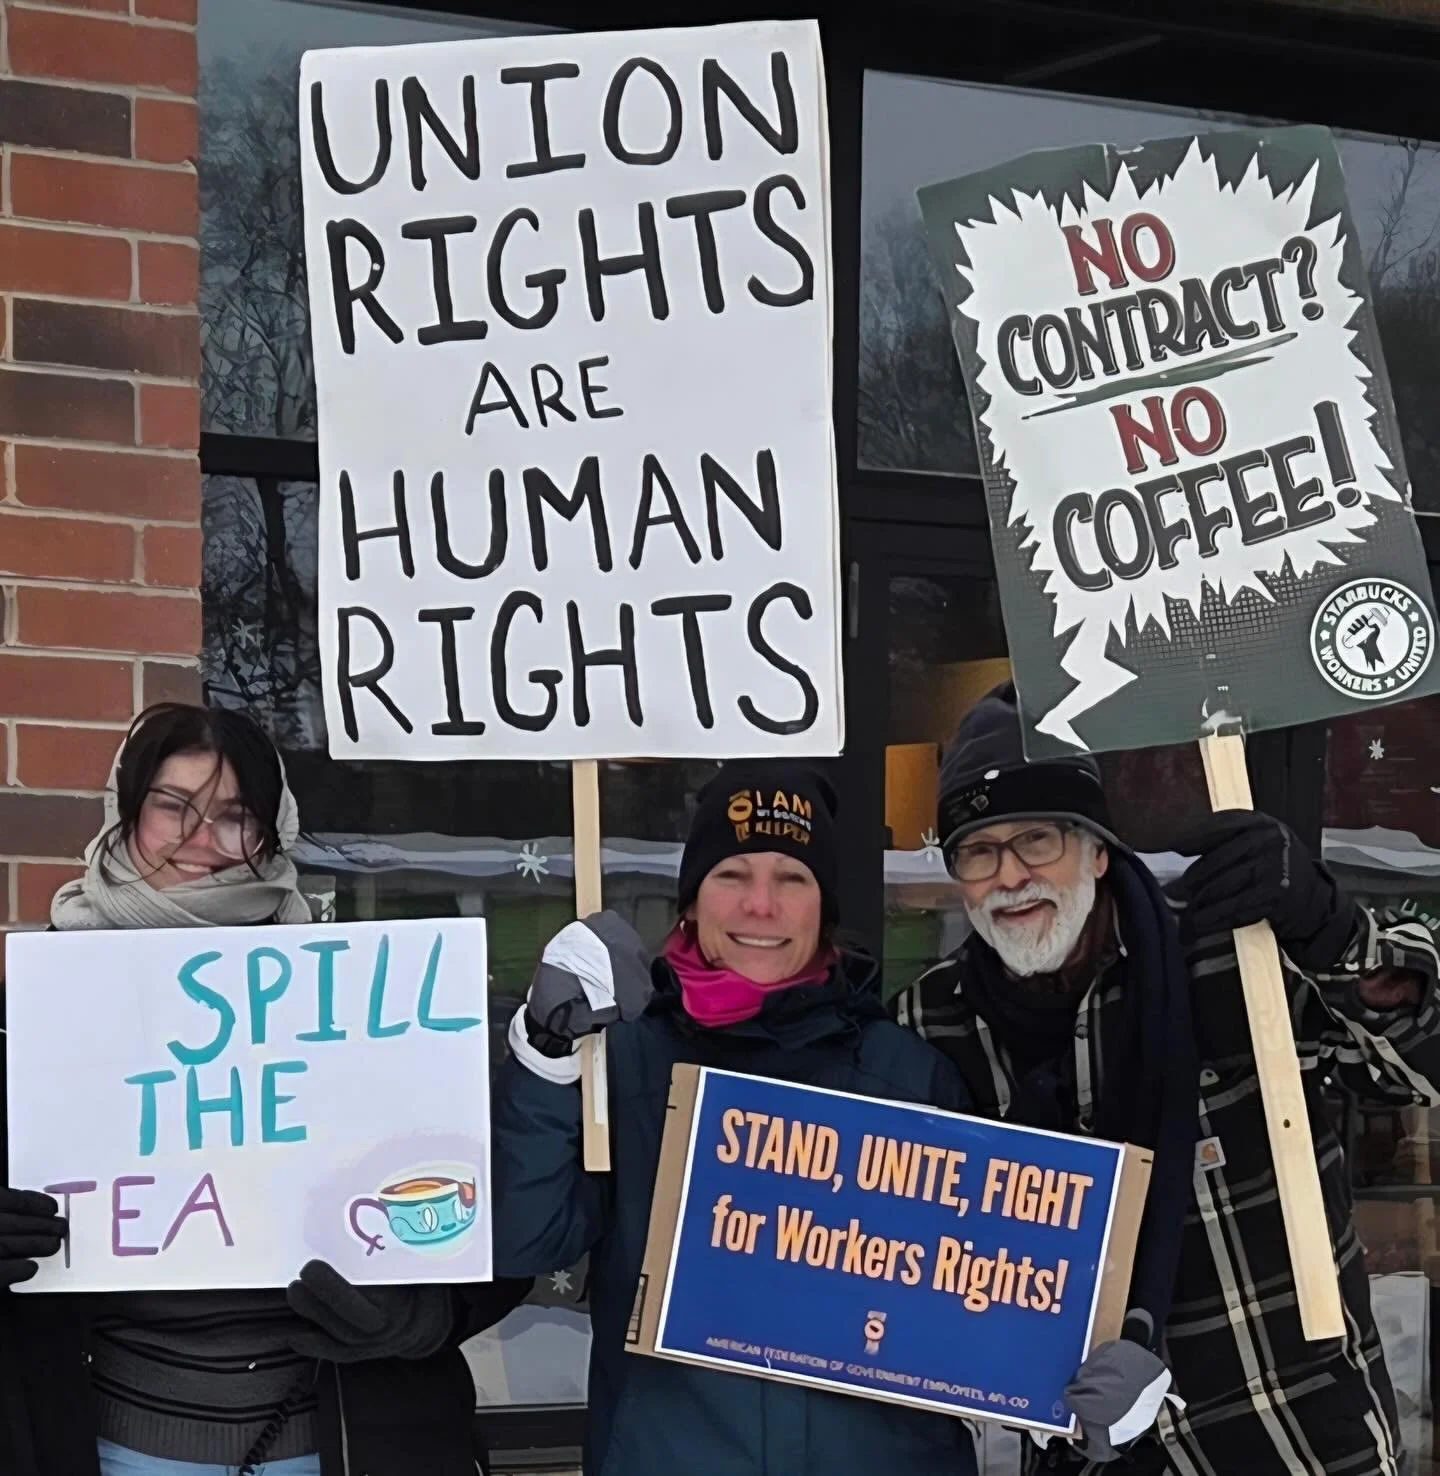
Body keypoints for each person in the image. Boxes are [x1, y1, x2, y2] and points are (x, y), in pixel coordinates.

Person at [897, 682, 1440, 1475]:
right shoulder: (931, 1025)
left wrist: (1333, 933)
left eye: (1038, 839)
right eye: (979, 851)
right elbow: (911, 1262)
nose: (1010, 875)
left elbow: (1415, 1071)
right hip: (1099, 1455)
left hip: (1299, 1442)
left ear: (1097, 849)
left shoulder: (1233, 958)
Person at [0, 703, 530, 1476]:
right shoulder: (38, 1007)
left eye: (235, 817)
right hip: (107, 1446)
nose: (198, 842)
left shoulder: (357, 1004)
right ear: (126, 813)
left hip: (339, 1446)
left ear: (271, 831)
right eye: (171, 807)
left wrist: (425, 1315)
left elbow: (499, 1211)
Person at [491, 762, 980, 1476]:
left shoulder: (907, 1079)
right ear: (690, 901)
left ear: (824, 908)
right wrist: (545, 1050)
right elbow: (526, 1241)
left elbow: (982, 1301)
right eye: (731, 875)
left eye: (793, 878)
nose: (761, 905)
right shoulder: (622, 1060)